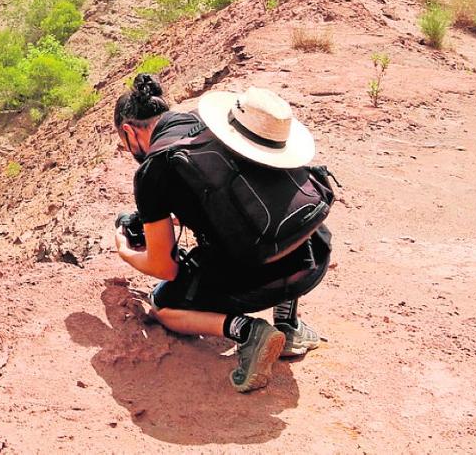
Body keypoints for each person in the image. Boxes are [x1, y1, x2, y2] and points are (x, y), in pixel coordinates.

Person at [113, 74, 332, 393]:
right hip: (314, 254)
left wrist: (125, 250)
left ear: (129, 131)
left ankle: (248, 332)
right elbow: (239, 197)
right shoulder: (222, 126)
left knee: (164, 304)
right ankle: (289, 325)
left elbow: (165, 267)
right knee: (270, 220)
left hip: (261, 275)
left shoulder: (154, 169)